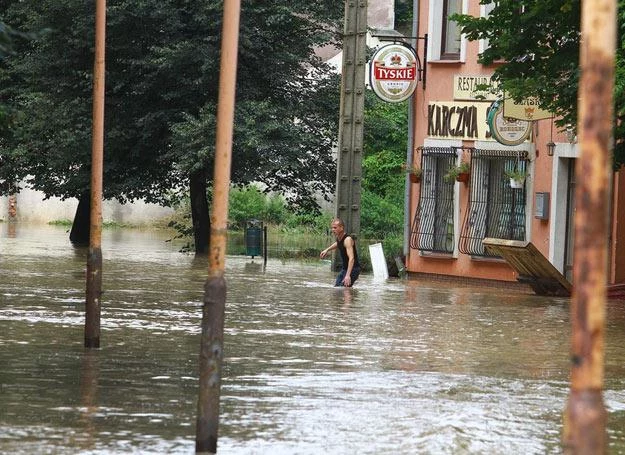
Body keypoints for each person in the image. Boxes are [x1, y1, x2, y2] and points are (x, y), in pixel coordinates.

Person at [320, 218, 360, 287]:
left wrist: (347, 275)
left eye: (335, 228)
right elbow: (338, 243)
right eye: (332, 228)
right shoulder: (339, 238)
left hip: (353, 269)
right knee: (337, 288)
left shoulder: (347, 240)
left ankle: (350, 296)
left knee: (344, 289)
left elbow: (352, 258)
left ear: (341, 228)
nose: (333, 230)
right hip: (345, 269)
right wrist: (327, 249)